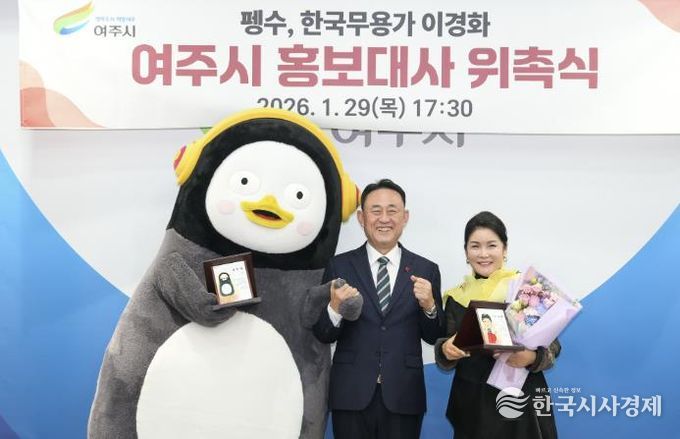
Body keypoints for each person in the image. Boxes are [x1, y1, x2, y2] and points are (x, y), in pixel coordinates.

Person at [313, 178, 445, 439]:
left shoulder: (426, 269)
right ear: (361, 218)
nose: (384, 218)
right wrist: (335, 308)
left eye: (392, 210)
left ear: (405, 217)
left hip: (404, 395)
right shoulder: (339, 266)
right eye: (376, 211)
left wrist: (429, 306)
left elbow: (434, 336)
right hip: (351, 394)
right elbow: (323, 334)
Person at [435, 211, 560, 439]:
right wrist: (446, 350)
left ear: (505, 249)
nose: (483, 254)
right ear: (466, 252)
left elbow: (553, 347)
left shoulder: (525, 289)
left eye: (491, 245)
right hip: (474, 404)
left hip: (521, 401)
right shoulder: (455, 297)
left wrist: (531, 358)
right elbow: (448, 346)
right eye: (475, 246)